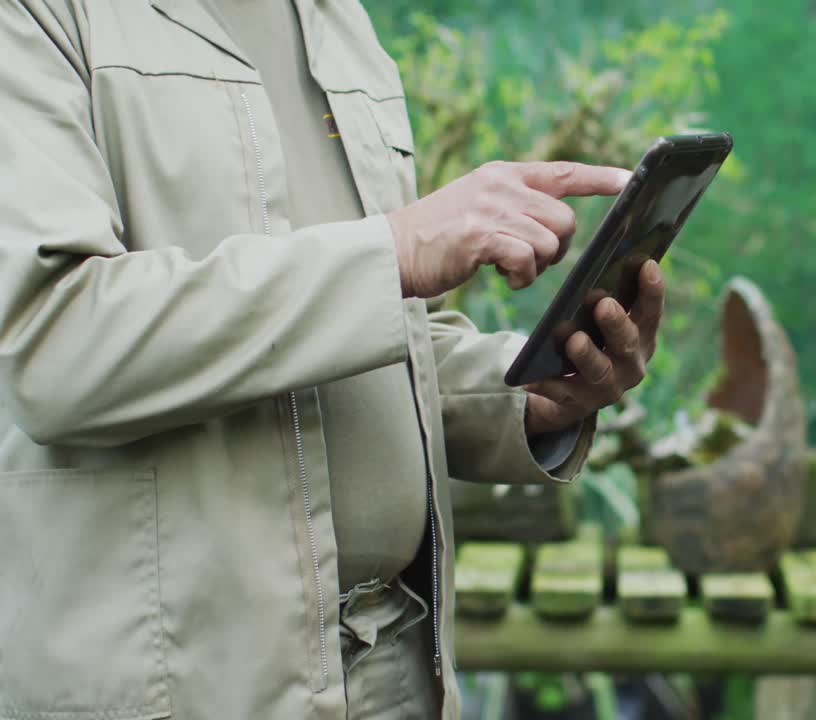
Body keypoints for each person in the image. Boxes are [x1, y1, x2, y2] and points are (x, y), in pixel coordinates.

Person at [0, 2, 664, 719]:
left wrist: (521, 395)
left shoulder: (336, 17)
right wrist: (398, 249)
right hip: (189, 688)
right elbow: (54, 343)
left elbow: (364, 325)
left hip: (397, 668)